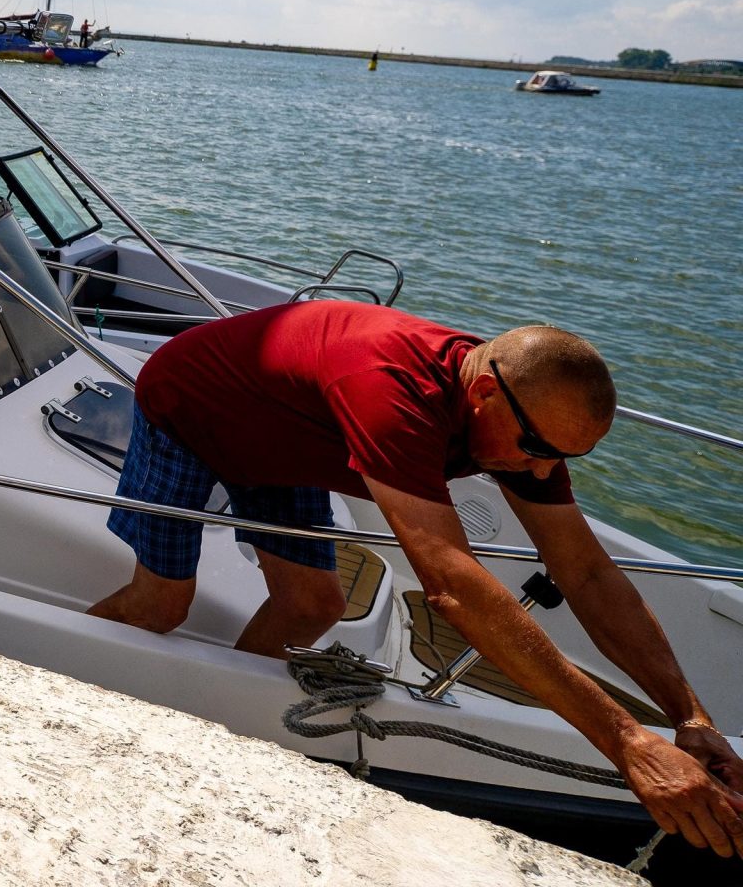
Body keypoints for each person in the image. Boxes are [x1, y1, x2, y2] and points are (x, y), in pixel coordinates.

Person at [87, 300, 743, 855]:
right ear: (484, 395)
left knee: (312, 605)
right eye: (539, 451)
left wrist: (687, 715)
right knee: (161, 605)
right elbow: (453, 587)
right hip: (191, 408)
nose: (544, 472)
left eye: (567, 458)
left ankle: (213, 718)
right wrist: (628, 742)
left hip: (285, 437)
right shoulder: (394, 395)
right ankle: (54, 678)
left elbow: (589, 574)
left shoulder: (523, 418)